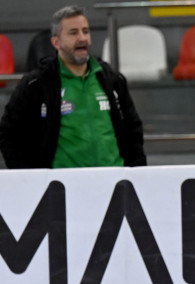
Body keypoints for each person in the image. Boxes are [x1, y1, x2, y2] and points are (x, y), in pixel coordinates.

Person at [0, 5, 146, 168]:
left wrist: (136, 172)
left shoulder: (112, 79)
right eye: (73, 33)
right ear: (56, 42)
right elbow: (8, 133)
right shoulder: (36, 84)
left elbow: (133, 131)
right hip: (63, 188)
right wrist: (29, 177)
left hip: (114, 181)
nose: (82, 38)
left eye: (85, 31)